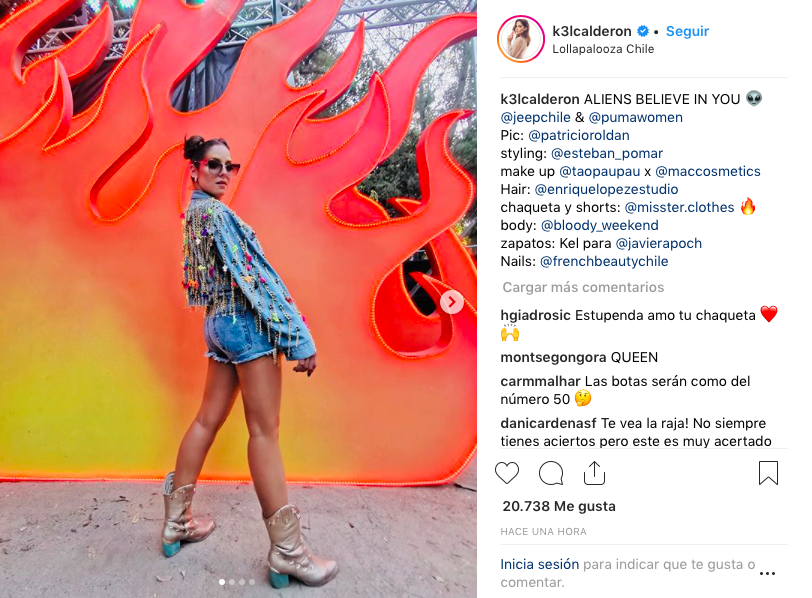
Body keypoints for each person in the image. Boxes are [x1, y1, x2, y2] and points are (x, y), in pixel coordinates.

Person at [160, 134, 338, 589]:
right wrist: (297, 336)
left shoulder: (195, 213)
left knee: (206, 420)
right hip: (244, 325)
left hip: (217, 324)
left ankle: (176, 523)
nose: (224, 172)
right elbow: (256, 277)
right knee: (264, 432)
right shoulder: (218, 215)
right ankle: (289, 553)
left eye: (230, 165)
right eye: (214, 164)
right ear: (195, 169)